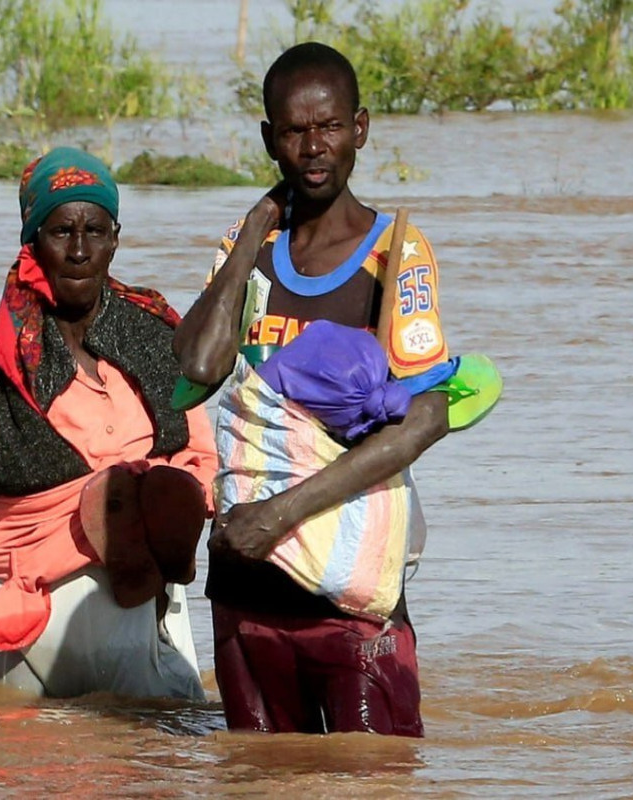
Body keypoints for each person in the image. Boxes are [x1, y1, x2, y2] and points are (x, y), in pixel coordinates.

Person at [0, 147, 217, 701]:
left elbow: (198, 455)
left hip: (144, 589)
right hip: (30, 596)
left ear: (115, 239)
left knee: (156, 756)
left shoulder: (153, 332)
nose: (78, 250)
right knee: (31, 762)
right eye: (60, 232)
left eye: (94, 230)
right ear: (32, 241)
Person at [173, 43, 452, 735]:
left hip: (350, 597)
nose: (313, 147)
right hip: (246, 590)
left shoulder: (396, 252)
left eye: (328, 127)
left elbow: (423, 422)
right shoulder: (250, 245)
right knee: (256, 780)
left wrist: (280, 515)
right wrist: (247, 244)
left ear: (360, 127)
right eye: (294, 132)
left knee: (373, 781)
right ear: (270, 141)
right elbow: (202, 369)